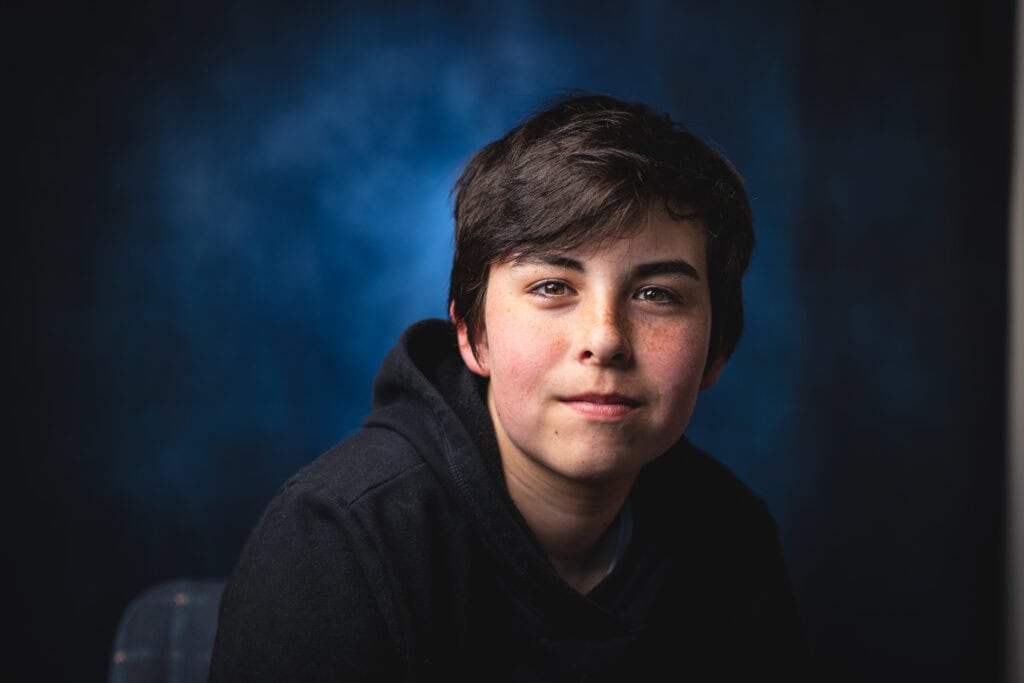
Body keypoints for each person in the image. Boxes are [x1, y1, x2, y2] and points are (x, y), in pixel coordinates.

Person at [209, 92, 809, 681]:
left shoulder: (731, 537)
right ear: (473, 337)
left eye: (657, 295)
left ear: (718, 352)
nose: (605, 339)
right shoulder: (336, 541)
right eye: (553, 286)